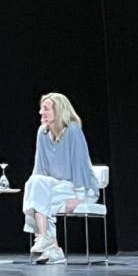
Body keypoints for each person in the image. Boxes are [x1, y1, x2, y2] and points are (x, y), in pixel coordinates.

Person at [23, 92, 99, 265]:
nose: (41, 112)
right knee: (34, 185)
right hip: (55, 187)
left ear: (59, 111)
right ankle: (47, 241)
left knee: (40, 197)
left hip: (78, 187)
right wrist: (33, 188)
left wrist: (79, 197)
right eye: (41, 108)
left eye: (46, 109)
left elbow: (81, 166)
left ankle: (50, 246)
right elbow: (39, 169)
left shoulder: (72, 130)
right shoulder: (42, 133)